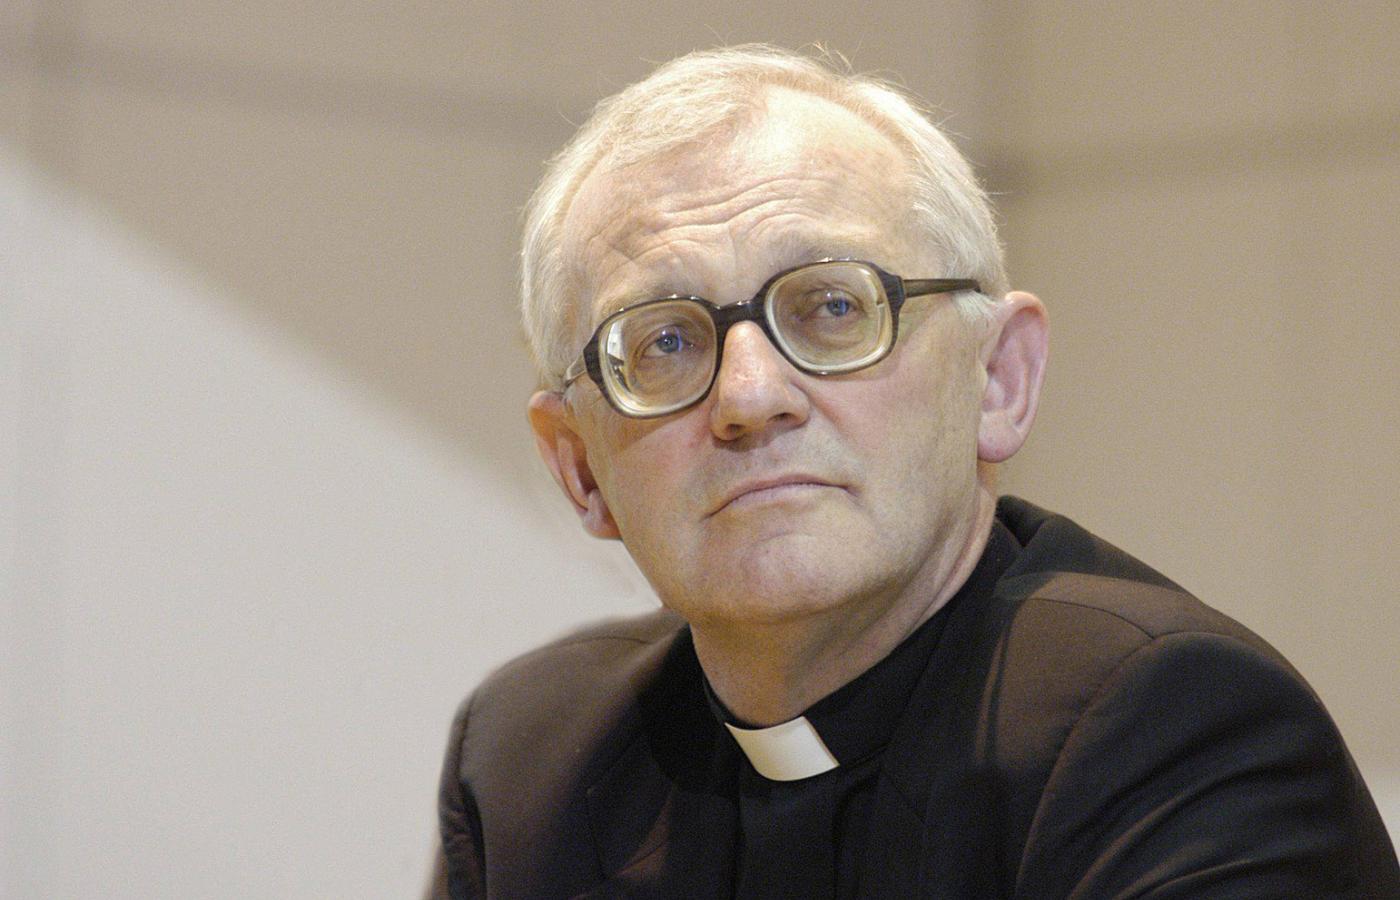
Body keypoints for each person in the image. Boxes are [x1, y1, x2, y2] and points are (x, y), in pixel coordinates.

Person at [432, 45, 1399, 898]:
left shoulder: (1169, 734)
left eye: (833, 308)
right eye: (665, 343)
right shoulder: (531, 765)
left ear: (998, 380)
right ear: (578, 467)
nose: (750, 396)